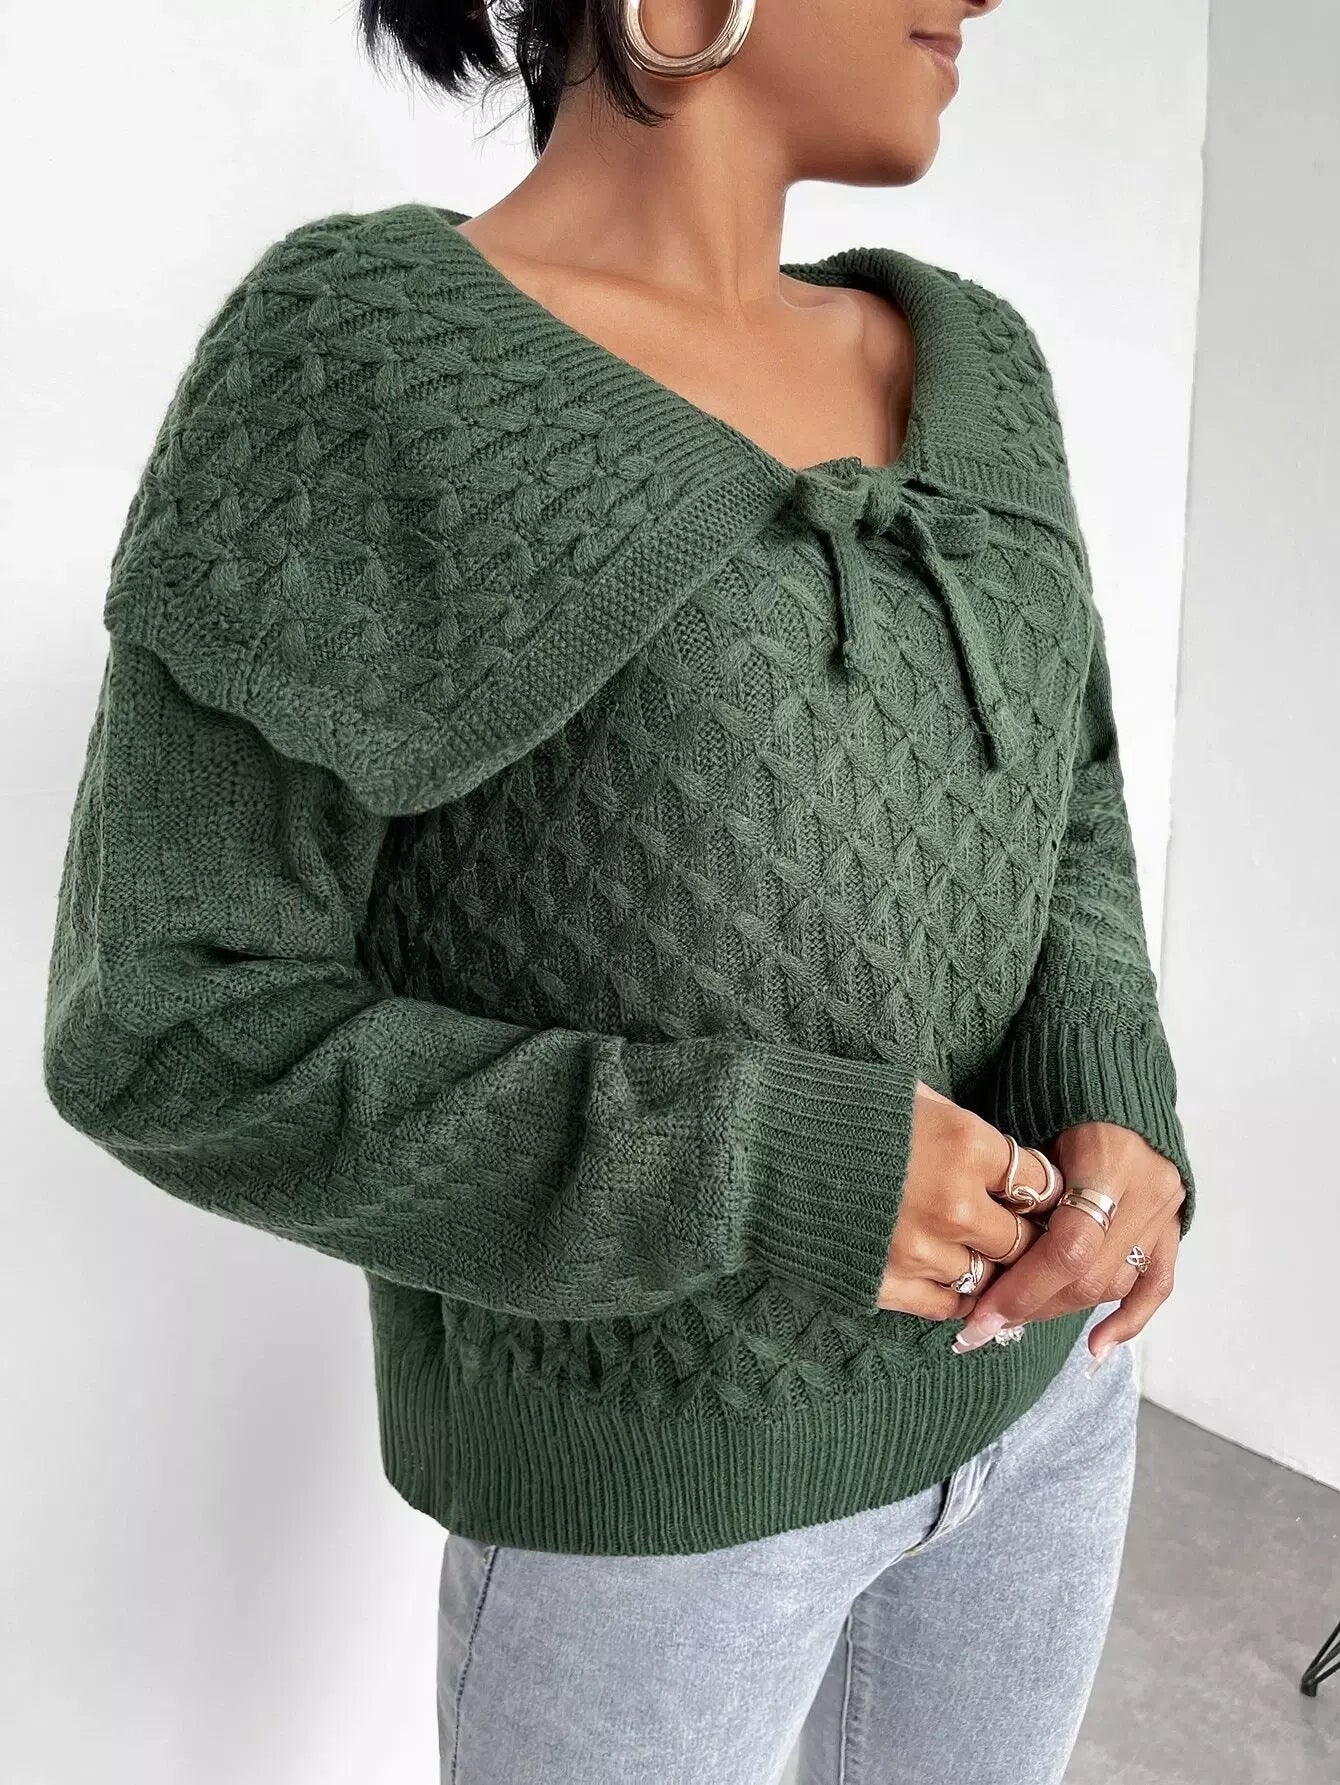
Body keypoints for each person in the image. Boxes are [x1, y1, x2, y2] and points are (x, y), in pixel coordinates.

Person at [41, 1, 1195, 1779]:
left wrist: (1116, 1093)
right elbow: (167, 1018)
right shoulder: (369, 366)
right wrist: (752, 1160)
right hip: (653, 1514)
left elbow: (1072, 794)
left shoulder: (983, 366)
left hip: (1049, 1412)